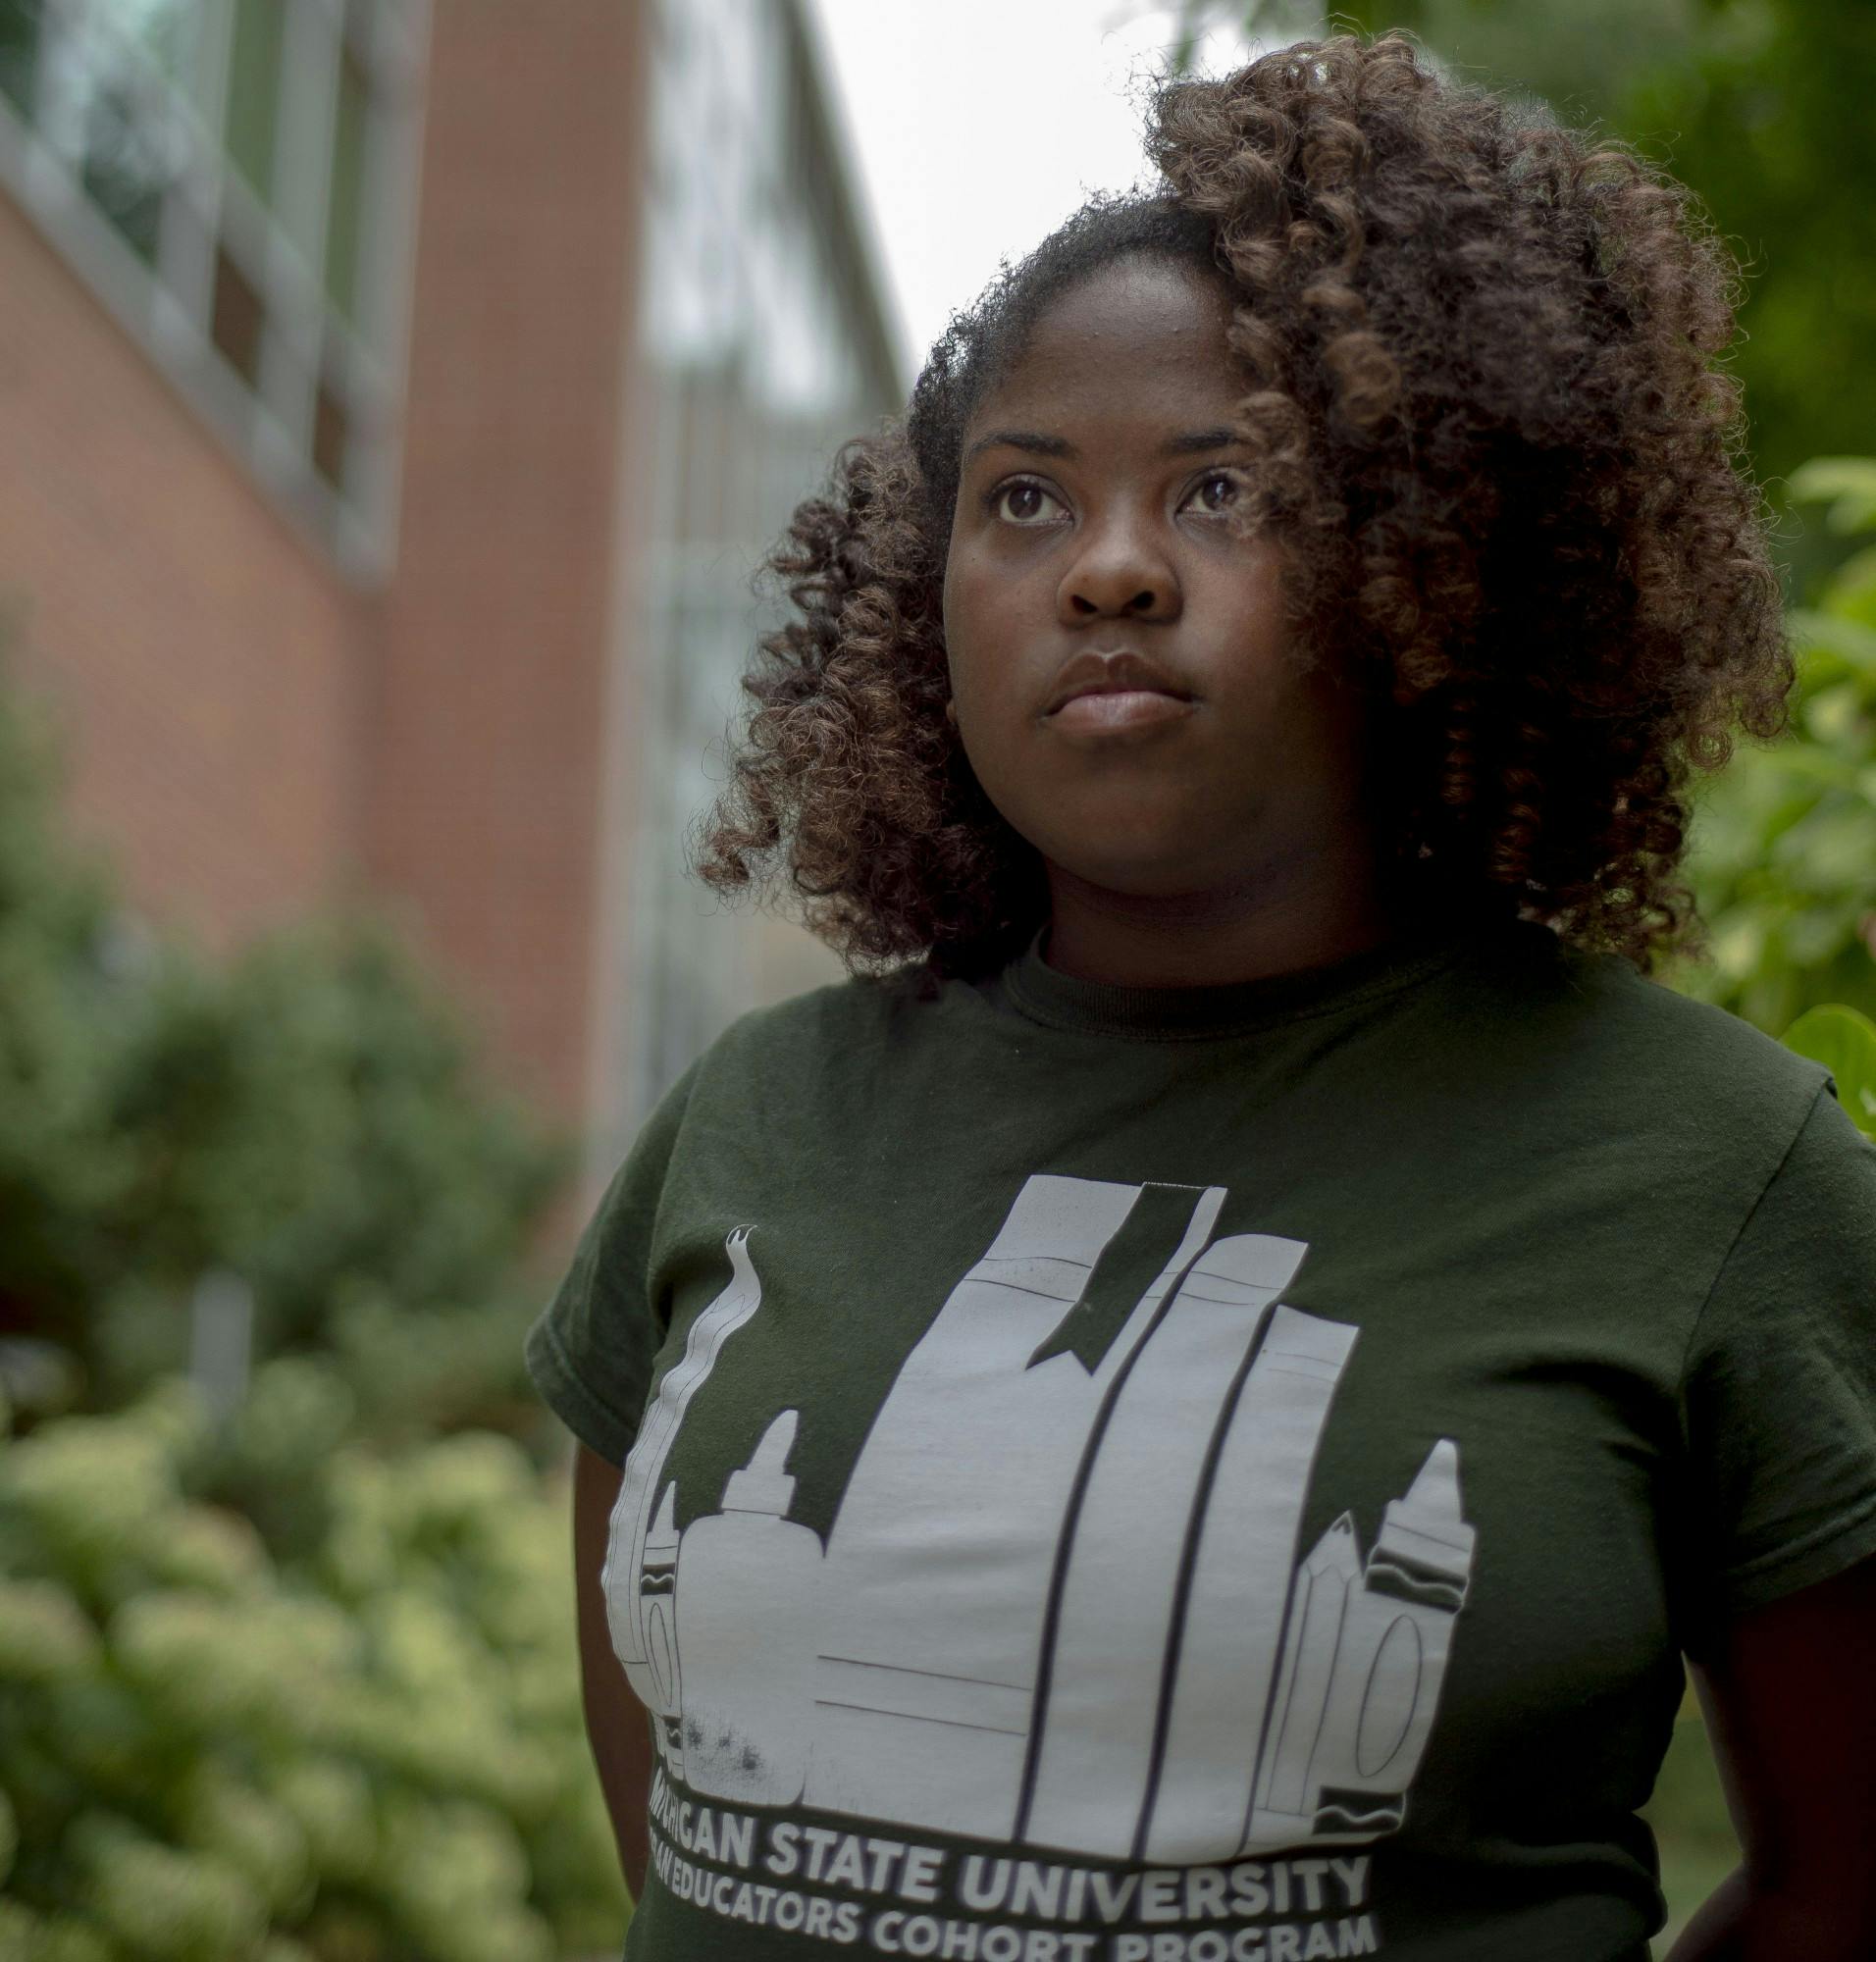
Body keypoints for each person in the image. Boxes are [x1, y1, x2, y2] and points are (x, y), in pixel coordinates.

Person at [525, 30, 1876, 1962]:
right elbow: (701, 1836)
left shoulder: (1712, 1170)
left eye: (1223, 490)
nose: (1107, 573)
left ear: (1439, 554)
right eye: (1021, 501)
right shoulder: (750, 1119)